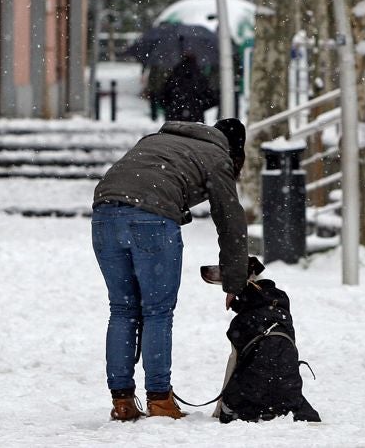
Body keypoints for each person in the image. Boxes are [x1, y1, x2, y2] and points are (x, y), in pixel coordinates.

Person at [90, 117, 249, 422]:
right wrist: (235, 281)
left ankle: (122, 400)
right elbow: (231, 222)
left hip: (104, 215)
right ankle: (160, 400)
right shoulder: (218, 157)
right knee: (157, 311)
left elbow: (144, 181)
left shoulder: (154, 141)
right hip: (151, 220)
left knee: (122, 309)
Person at [161, 51, 217, 123]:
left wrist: (171, 106)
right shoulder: (200, 77)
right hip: (196, 117)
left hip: (174, 117)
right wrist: (199, 107)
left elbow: (163, 96)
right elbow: (211, 98)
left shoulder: (174, 76)